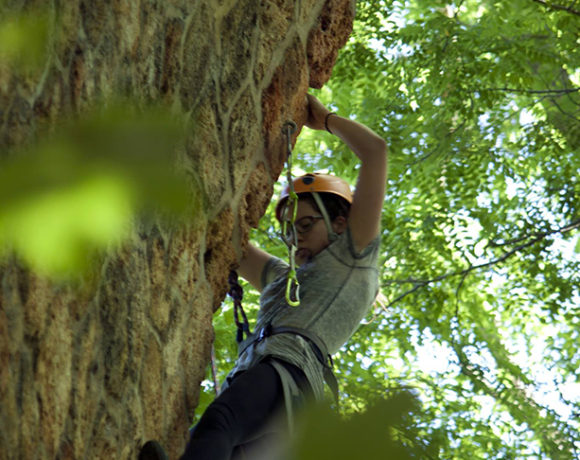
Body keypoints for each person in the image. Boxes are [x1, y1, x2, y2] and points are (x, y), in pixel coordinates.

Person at [139, 94, 387, 460]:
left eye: (305, 224)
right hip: (278, 391)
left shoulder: (353, 255)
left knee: (218, 423)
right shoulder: (282, 280)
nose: (295, 237)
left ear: (339, 222)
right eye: (288, 231)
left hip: (292, 372)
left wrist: (327, 120)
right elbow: (231, 244)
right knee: (199, 443)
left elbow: (376, 152)